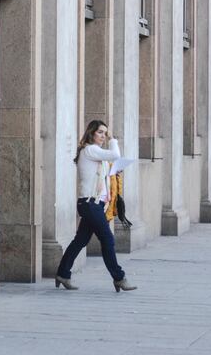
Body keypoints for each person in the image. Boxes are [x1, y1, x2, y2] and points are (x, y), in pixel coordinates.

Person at [54, 119, 138, 292]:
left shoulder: (96, 154)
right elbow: (115, 154)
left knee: (80, 241)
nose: (103, 136)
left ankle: (63, 274)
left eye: (105, 133)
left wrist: (114, 171)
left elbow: (104, 173)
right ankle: (119, 278)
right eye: (100, 132)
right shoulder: (90, 149)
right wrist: (114, 140)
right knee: (107, 239)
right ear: (91, 132)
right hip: (89, 204)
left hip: (95, 205)